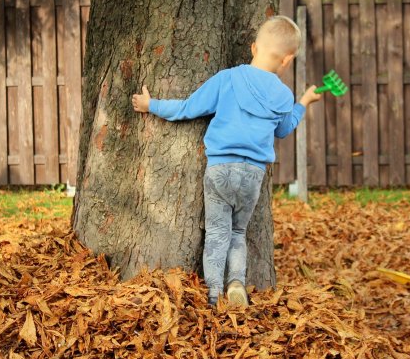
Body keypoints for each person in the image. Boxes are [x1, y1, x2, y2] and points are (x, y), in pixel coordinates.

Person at [131, 16, 322, 307]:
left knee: (218, 232)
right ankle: (237, 283)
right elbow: (283, 130)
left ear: (254, 47)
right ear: (287, 60)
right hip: (253, 175)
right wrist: (303, 103)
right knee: (237, 232)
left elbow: (188, 108)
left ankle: (212, 295)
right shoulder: (284, 95)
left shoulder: (228, 79)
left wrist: (151, 105)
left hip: (220, 169)